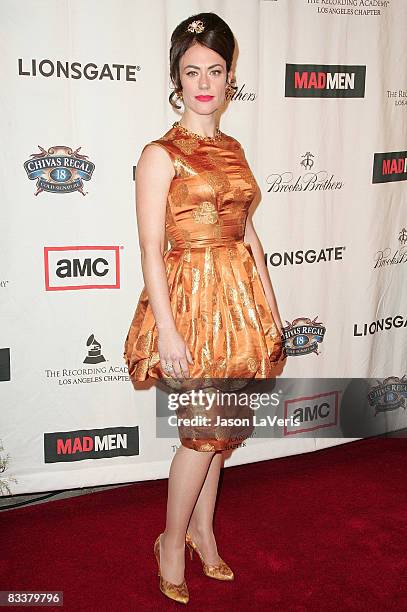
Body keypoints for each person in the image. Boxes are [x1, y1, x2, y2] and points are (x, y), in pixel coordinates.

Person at [123, 12, 286, 605]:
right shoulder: (159, 154)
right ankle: (170, 542)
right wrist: (166, 330)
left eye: (215, 70)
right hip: (190, 300)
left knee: (221, 434)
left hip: (238, 302)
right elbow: (148, 247)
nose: (205, 83)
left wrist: (269, 306)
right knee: (200, 434)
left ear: (229, 77)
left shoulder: (234, 148)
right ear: (177, 78)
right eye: (193, 71)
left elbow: (249, 234)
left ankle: (203, 531)